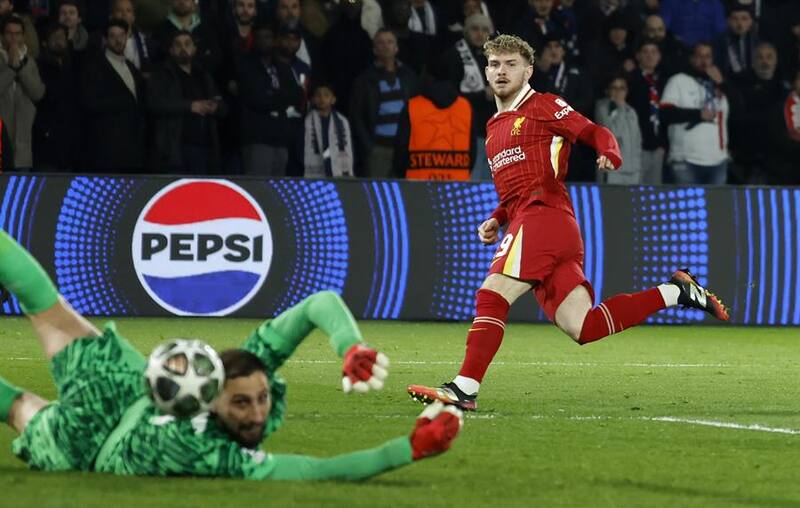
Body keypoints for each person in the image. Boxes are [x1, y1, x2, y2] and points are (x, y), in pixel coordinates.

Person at [406, 34, 729, 411]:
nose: (501, 71)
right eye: (494, 64)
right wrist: (497, 217)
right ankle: (676, 292)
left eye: (511, 64)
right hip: (541, 223)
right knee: (583, 326)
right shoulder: (493, 128)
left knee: (492, 293)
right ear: (486, 72)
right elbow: (513, 192)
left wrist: (609, 150)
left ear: (528, 71)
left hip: (544, 215)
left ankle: (464, 388)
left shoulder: (543, 104)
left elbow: (594, 131)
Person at [0, 228, 463, 478]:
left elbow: (319, 303)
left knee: (32, 372)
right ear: (209, 393)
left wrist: (351, 345)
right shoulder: (205, 454)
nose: (257, 413)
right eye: (242, 403)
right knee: (28, 382)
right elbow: (313, 469)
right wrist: (406, 449)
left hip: (115, 418)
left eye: (260, 398)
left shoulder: (235, 372)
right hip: (87, 444)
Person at [147, 30, 227, 174]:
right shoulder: (162, 75)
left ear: (194, 49)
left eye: (187, 44)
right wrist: (190, 106)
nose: (183, 48)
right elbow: (155, 104)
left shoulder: (203, 75)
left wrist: (215, 107)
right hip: (176, 149)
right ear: (171, 50)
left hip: (205, 147)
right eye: (178, 45)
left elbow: (222, 106)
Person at [660, 42, 734, 185]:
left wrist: (722, 83)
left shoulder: (720, 84)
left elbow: (740, 108)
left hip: (718, 160)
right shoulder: (678, 80)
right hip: (684, 159)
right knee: (687, 200)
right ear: (692, 59)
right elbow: (665, 113)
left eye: (708, 56)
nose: (704, 61)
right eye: (700, 56)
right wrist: (697, 114)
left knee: (716, 201)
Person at [350, 28, 419, 178]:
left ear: (396, 47)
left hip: (404, 148)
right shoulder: (365, 80)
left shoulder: (409, 77)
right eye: (381, 43)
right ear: (374, 49)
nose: (386, 46)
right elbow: (357, 116)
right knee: (376, 190)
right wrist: (369, 147)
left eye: (390, 42)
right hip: (378, 149)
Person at [81, 18, 146, 173]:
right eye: (113, 36)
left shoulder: (131, 67)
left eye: (121, 35)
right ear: (105, 39)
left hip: (132, 147)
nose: (118, 40)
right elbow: (90, 103)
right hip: (107, 150)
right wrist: (123, 103)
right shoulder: (94, 67)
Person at [238, 23, 303, 176]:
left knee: (277, 186)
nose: (264, 41)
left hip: (280, 136)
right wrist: (280, 98)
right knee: (258, 185)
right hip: (257, 136)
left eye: (268, 37)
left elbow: (297, 94)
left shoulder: (282, 66)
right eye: (259, 37)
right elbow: (255, 98)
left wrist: (272, 95)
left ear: (274, 41)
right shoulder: (246, 65)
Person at [0, 15, 44, 171]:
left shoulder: (29, 62)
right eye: (9, 33)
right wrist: (12, 69)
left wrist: (20, 67)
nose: (13, 38)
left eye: (17, 33)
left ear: (23, 36)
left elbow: (37, 93)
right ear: (2, 35)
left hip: (23, 140)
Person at [627, 41, 667, 183]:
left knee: (654, 191)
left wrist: (663, 144)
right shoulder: (630, 79)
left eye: (653, 52)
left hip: (658, 148)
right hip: (637, 147)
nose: (650, 56)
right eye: (645, 51)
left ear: (659, 56)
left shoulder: (664, 80)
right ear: (638, 56)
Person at [594, 75, 642, 184]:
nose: (618, 92)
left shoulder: (631, 111)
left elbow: (637, 140)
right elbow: (610, 132)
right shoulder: (602, 108)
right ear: (608, 90)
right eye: (614, 88)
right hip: (612, 170)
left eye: (622, 88)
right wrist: (618, 108)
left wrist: (638, 166)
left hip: (633, 170)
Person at [301, 82, 354, 178]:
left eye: (326, 95)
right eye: (318, 95)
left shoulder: (342, 121)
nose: (322, 99)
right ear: (313, 100)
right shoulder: (306, 121)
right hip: (316, 167)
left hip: (335, 166)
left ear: (333, 99)